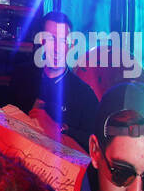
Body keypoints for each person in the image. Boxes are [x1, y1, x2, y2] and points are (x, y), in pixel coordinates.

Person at [12, 11, 99, 151]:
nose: (57, 48)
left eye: (63, 41)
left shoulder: (84, 94)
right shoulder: (21, 76)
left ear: (70, 46)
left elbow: (95, 144)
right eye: (51, 39)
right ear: (41, 42)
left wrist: (57, 129)